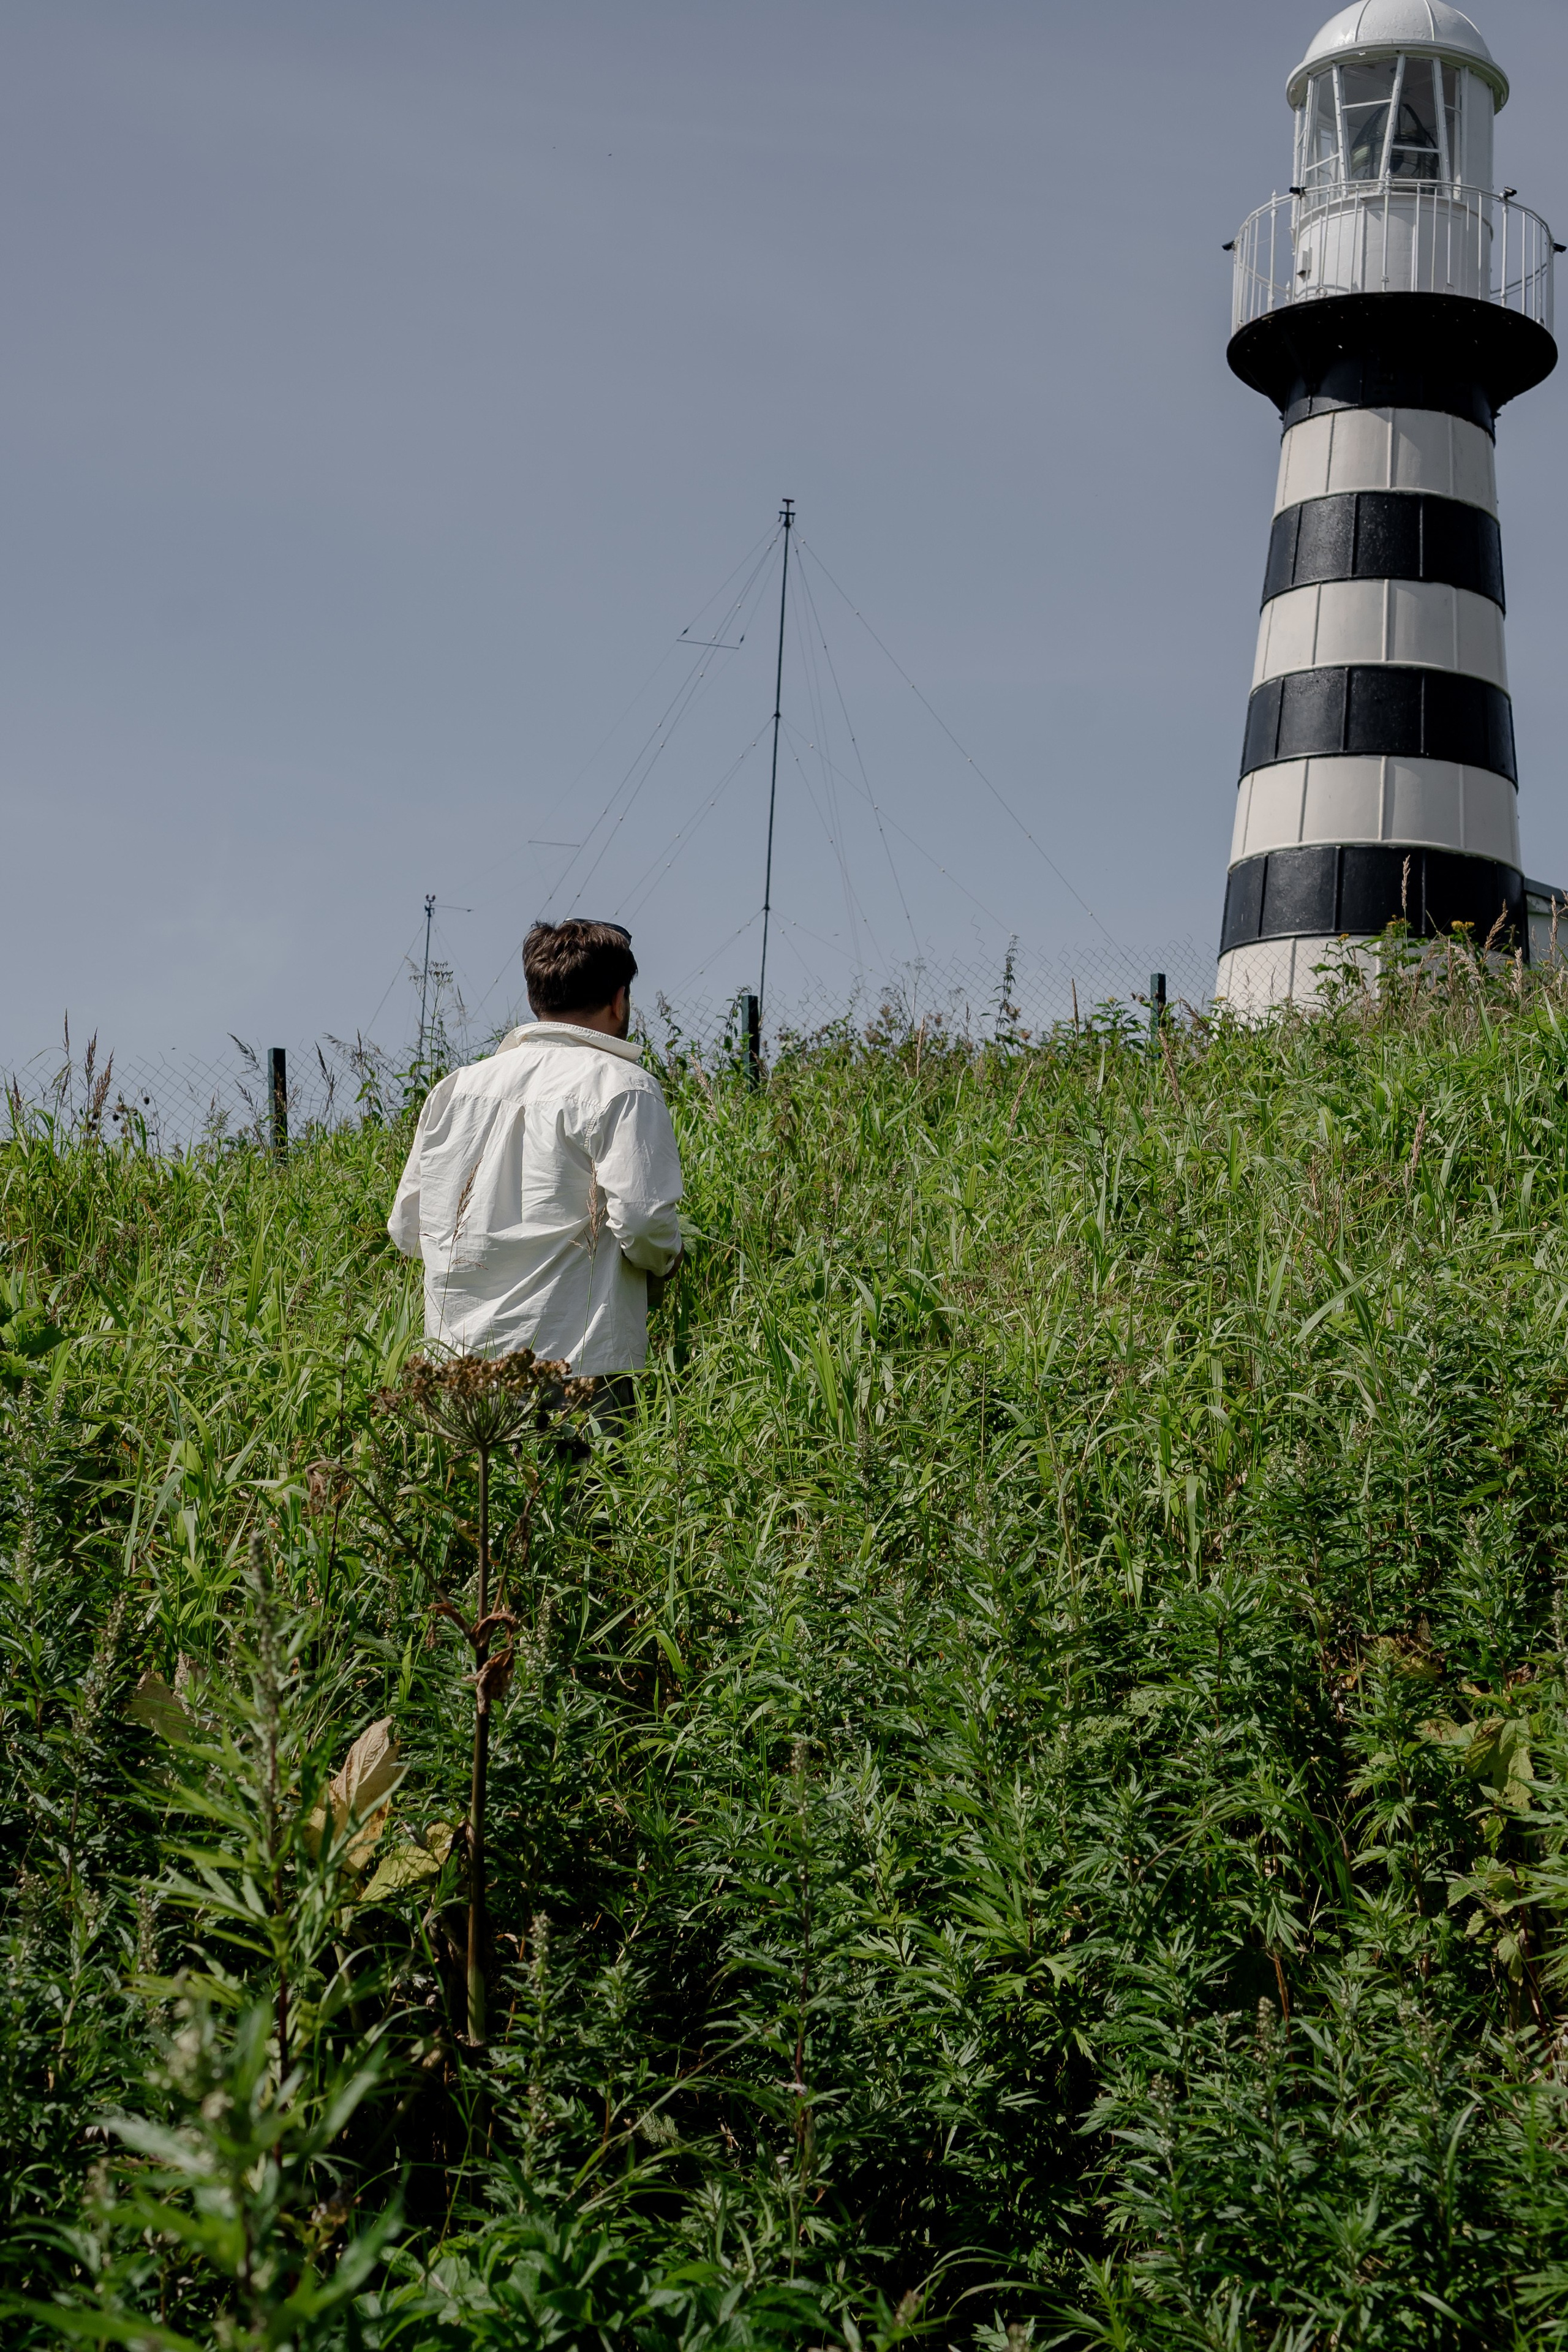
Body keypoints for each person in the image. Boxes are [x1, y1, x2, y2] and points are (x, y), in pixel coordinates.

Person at [387, 919, 684, 1398]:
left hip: (457, 1374)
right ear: (619, 999)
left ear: (535, 1000)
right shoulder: (623, 1087)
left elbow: (408, 1230)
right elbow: (645, 1225)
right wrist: (670, 1259)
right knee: (586, 1475)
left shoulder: (455, 1090)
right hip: (578, 1371)